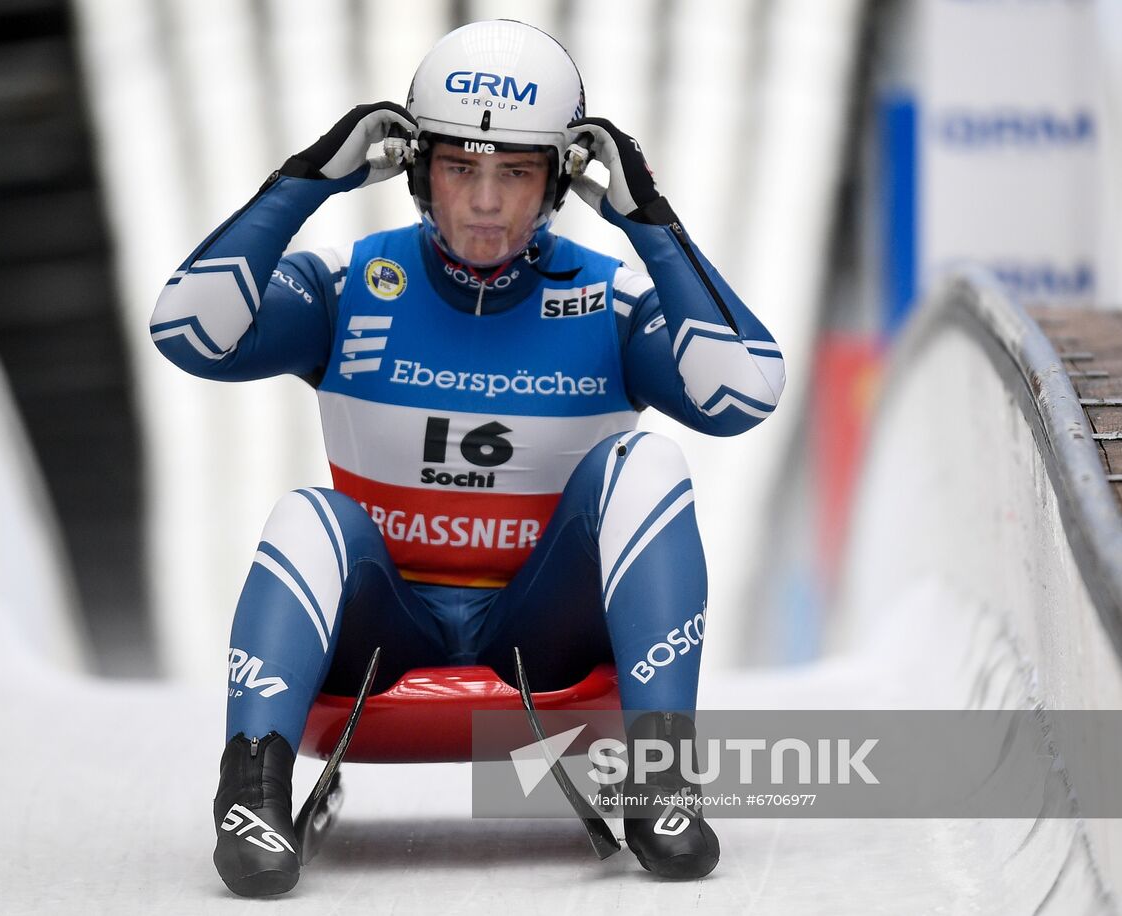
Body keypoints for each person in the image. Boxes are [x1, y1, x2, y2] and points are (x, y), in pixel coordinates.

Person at [150, 19, 785, 898]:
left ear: (558, 181)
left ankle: (664, 779)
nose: (486, 204)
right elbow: (187, 333)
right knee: (311, 513)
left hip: (544, 632)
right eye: (460, 167)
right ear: (418, 172)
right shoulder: (349, 285)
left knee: (648, 464)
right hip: (386, 630)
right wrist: (300, 185)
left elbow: (743, 395)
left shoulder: (606, 296)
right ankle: (249, 791)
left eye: (516, 172)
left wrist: (655, 228)